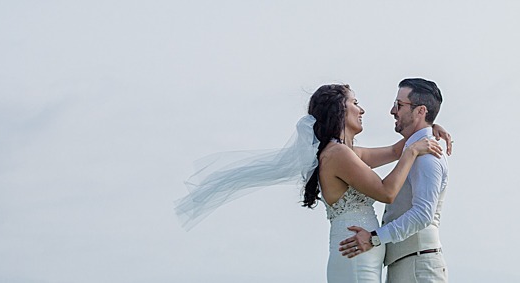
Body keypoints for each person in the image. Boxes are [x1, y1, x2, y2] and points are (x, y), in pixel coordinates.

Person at [173, 81, 452, 283]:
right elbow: (386, 192)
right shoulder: (338, 154)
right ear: (339, 110)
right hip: (355, 250)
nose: (362, 108)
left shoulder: (346, 153)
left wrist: (427, 125)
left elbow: (394, 151)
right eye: (355, 102)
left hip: (364, 250)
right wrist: (414, 148)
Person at [337, 78, 448, 282]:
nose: (392, 110)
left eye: (399, 104)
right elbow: (394, 150)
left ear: (420, 111)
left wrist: (375, 238)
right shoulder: (414, 149)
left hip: (418, 266)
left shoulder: (428, 155)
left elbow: (423, 214)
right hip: (406, 263)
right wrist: (430, 127)